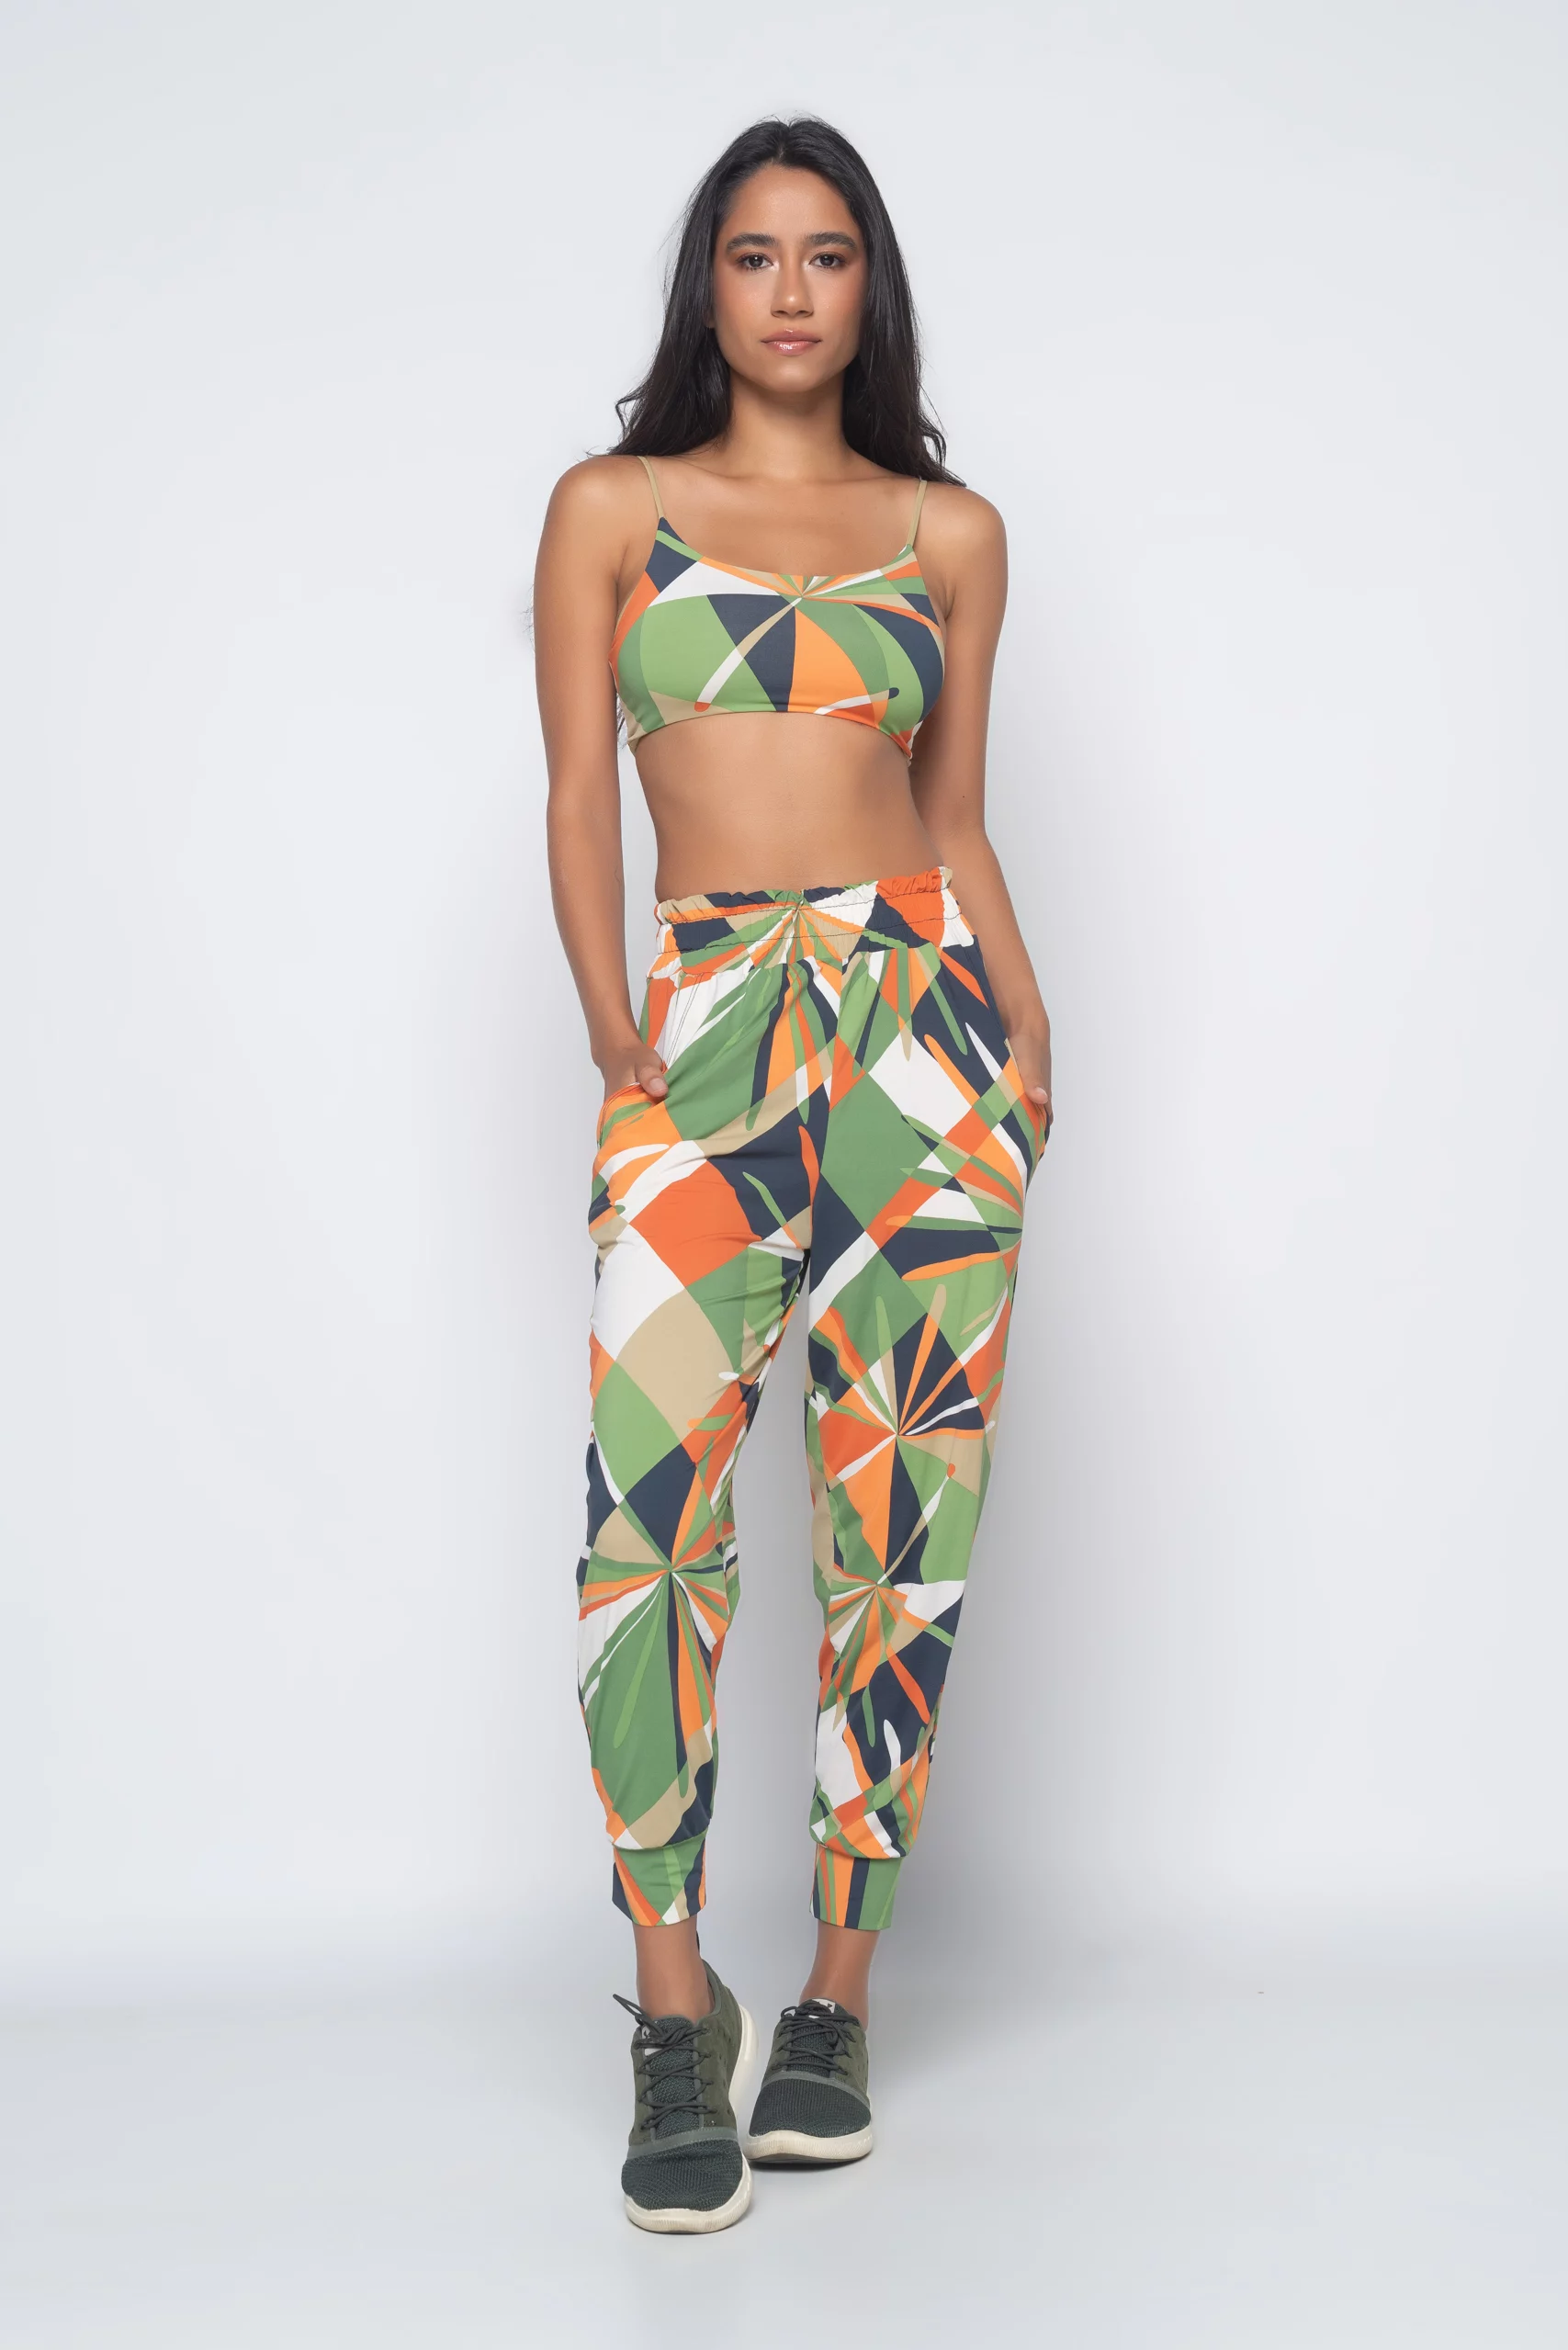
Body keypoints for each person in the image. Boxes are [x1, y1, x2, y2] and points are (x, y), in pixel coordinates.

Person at [532, 114, 1052, 2234]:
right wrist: (614, 1026)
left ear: (867, 287)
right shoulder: (613, 509)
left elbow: (959, 810)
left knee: (895, 1525)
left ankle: (835, 1993)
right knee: (646, 1525)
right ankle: (675, 2002)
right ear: (708, 285)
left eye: (827, 254)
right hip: (705, 1024)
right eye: (752, 254)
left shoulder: (949, 531)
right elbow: (580, 794)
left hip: (922, 1035)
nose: (789, 291)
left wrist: (1024, 1043)